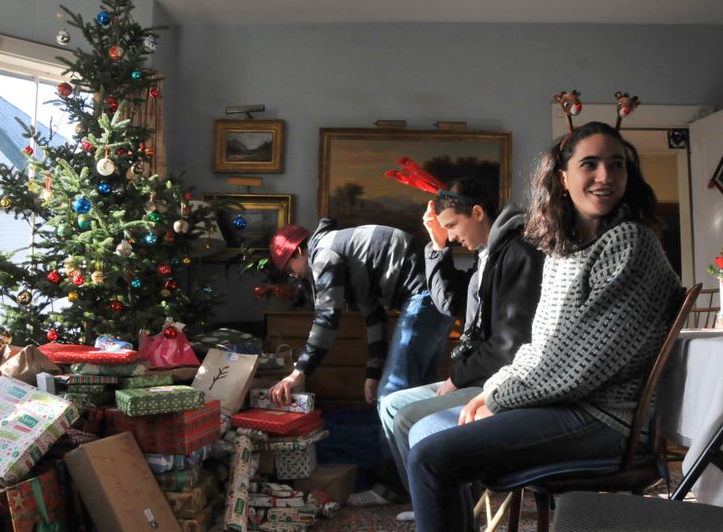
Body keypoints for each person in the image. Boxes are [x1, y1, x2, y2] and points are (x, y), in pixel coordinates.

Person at [406, 121, 684, 532]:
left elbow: (583, 364)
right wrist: (493, 388)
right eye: (590, 164)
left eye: (617, 165)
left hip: (605, 418)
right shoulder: (562, 249)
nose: (605, 176)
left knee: (430, 457)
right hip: (563, 405)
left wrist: (500, 398)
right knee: (425, 430)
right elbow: (539, 347)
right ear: (563, 178)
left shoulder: (629, 242)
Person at [378, 177, 543, 515]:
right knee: (391, 405)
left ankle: (441, 511)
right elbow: (450, 303)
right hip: (477, 375)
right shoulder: (486, 255)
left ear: (478, 213)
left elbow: (510, 346)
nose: (452, 236)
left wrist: (456, 377)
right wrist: (437, 246)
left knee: (407, 418)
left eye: (452, 226)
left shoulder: (518, 253)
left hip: (502, 381)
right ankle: (432, 505)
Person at [267, 221, 454, 408]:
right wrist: (373, 373)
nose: (296, 276)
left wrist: (298, 372)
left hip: (424, 294)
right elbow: (375, 317)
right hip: (440, 293)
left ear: (298, 251)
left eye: (290, 270)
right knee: (422, 391)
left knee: (391, 397)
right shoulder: (347, 252)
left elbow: (326, 318)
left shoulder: (323, 254)